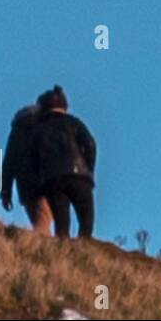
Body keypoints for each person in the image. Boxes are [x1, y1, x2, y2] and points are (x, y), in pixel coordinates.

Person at [27, 85, 96, 239]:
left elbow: (33, 158)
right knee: (86, 222)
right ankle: (85, 249)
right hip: (80, 178)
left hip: (53, 180)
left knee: (61, 225)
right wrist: (89, 169)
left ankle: (63, 252)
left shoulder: (38, 129)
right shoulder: (74, 122)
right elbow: (90, 144)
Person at [0, 102, 52, 234]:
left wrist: (6, 192)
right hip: (45, 184)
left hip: (25, 188)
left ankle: (35, 247)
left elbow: (8, 164)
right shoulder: (46, 130)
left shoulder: (16, 133)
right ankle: (39, 250)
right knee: (43, 223)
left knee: (38, 220)